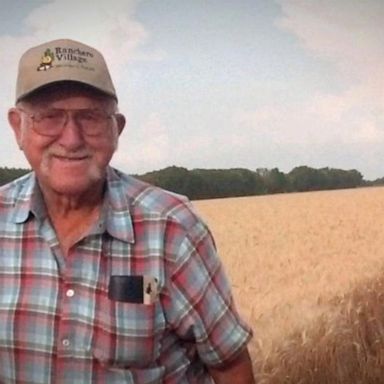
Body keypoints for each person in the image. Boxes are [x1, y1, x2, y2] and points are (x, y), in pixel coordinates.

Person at [0, 38, 255, 383]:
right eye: (49, 117)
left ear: (116, 129)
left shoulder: (171, 228)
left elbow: (228, 366)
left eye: (90, 117)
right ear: (18, 127)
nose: (71, 138)